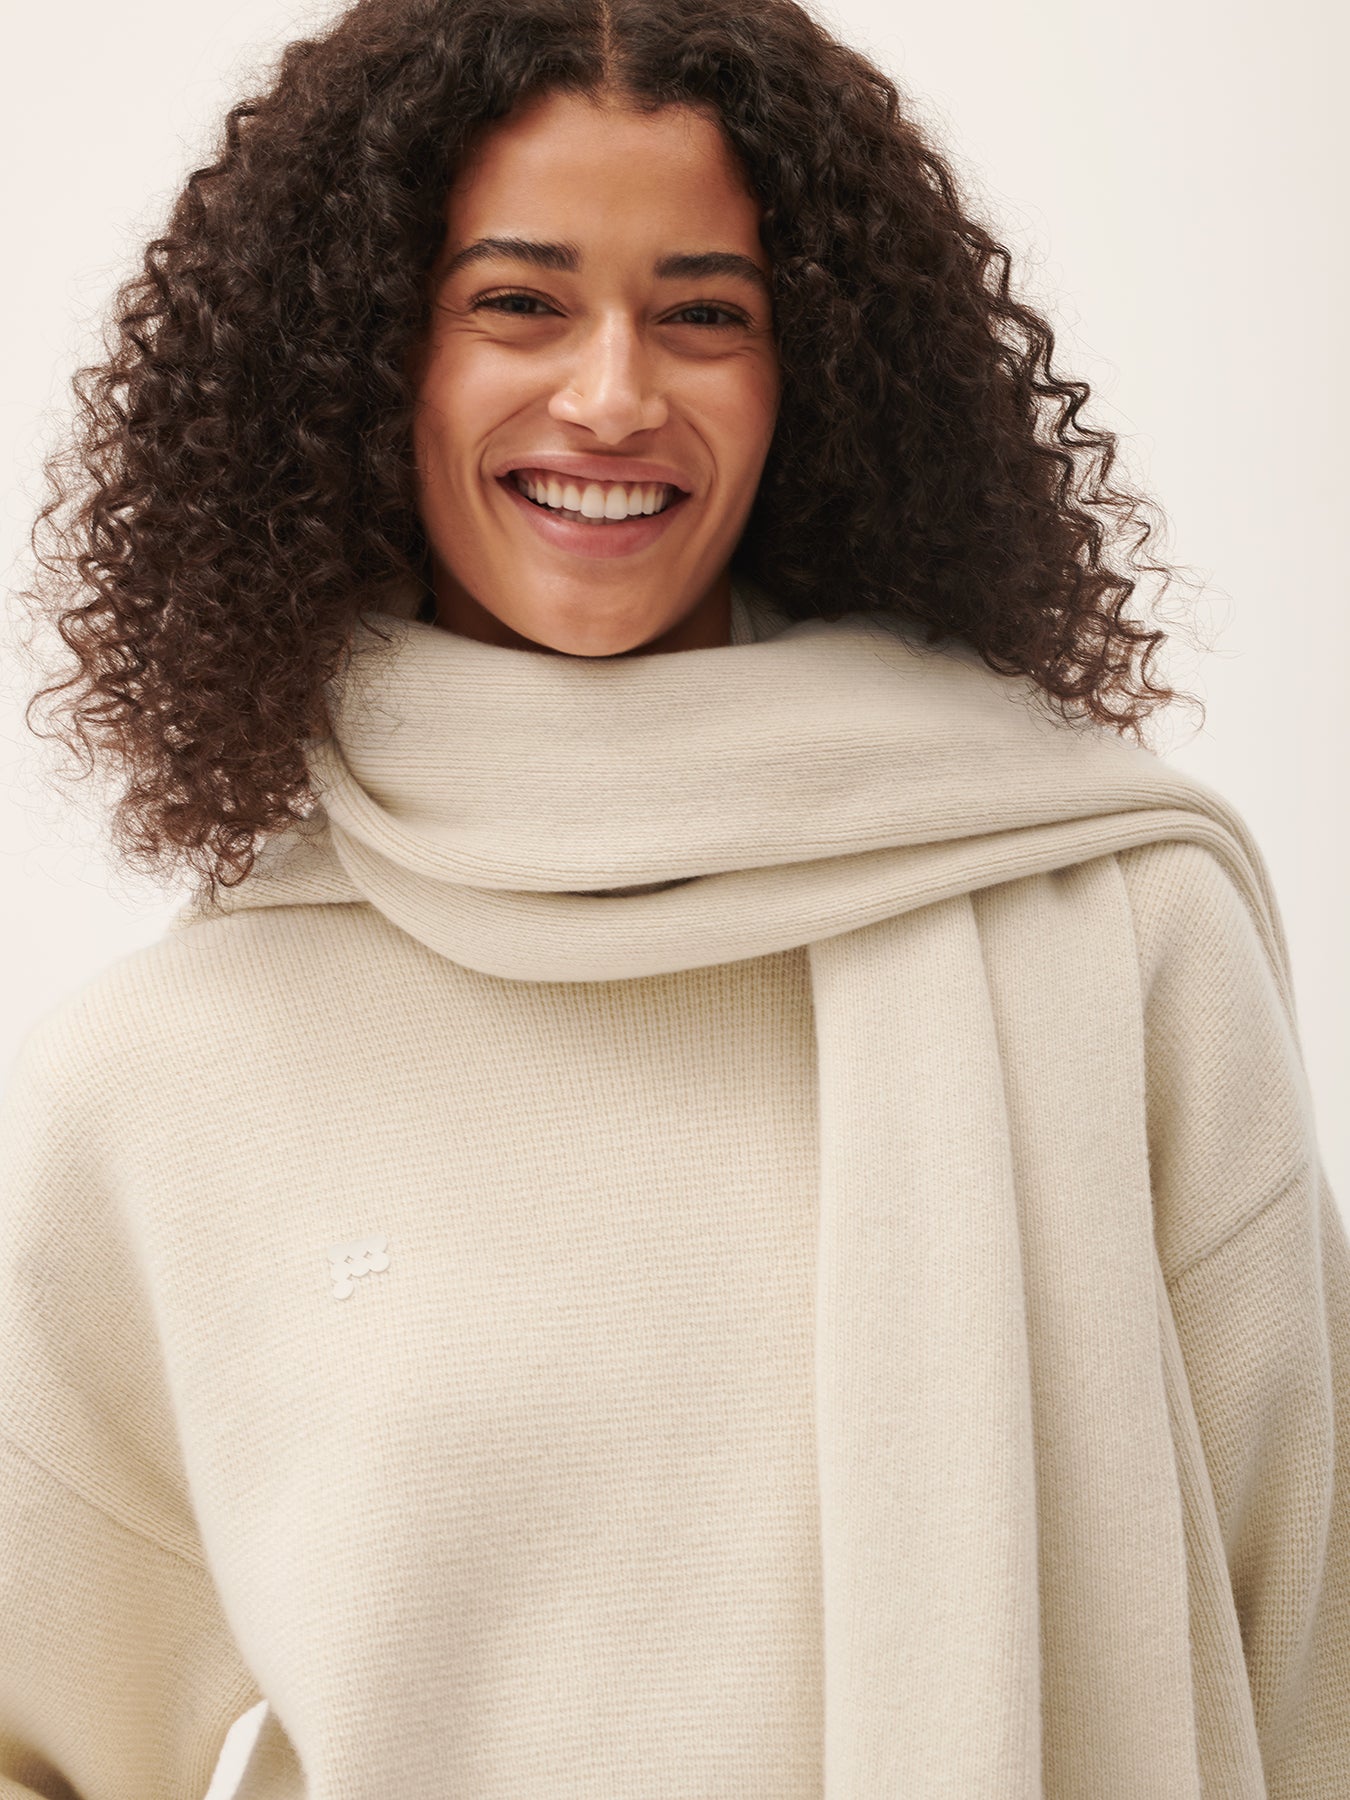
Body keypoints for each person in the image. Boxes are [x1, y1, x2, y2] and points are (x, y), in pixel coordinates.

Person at [3, 0, 1346, 1793]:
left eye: (705, 314)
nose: (614, 395)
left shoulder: (1112, 931)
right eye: (518, 302)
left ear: (814, 376)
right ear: (365, 355)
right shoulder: (160, 1078)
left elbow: (1317, 1670)